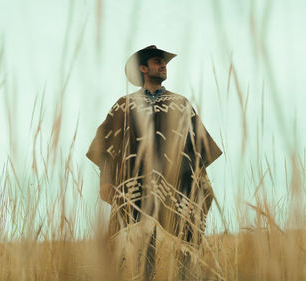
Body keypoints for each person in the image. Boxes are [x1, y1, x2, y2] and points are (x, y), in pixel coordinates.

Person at [86, 45, 222, 280]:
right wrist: (105, 180)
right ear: (143, 68)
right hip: (135, 188)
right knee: (137, 249)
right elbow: (107, 146)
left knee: (185, 248)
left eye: (165, 63)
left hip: (177, 185)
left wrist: (198, 185)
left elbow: (198, 148)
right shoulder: (124, 105)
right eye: (158, 62)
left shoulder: (180, 103)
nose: (163, 66)